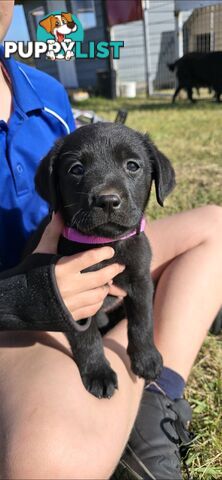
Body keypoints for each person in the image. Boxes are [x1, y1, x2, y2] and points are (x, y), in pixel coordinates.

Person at [0, 2, 222, 479]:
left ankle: (153, 396)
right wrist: (19, 296)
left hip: (93, 246)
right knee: (47, 465)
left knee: (216, 227)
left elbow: (91, 155)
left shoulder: (46, 90)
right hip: (15, 319)